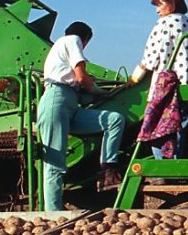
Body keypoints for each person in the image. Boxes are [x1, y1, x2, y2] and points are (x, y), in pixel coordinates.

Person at [37, 22, 124, 211]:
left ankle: (108, 168)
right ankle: (52, 213)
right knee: (55, 163)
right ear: (85, 39)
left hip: (69, 103)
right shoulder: (72, 40)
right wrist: (101, 91)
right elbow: (81, 77)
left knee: (114, 119)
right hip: (56, 101)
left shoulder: (60, 47)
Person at [129, 0, 188, 159]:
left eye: (159, 5)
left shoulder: (163, 24)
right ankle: (175, 166)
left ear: (171, 3)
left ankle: (161, 168)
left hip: (165, 88)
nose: (157, 10)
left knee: (158, 127)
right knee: (180, 127)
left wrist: (135, 76)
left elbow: (151, 57)